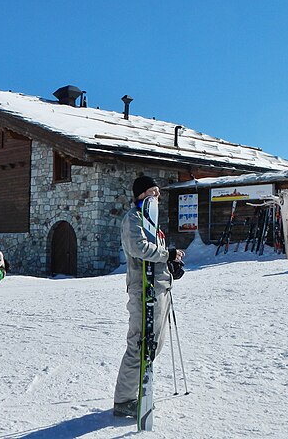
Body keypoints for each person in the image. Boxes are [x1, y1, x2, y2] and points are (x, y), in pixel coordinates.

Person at [114, 176, 185, 418]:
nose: (157, 197)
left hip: (159, 287)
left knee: (153, 345)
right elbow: (139, 248)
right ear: (141, 195)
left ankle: (137, 392)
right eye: (152, 193)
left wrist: (172, 266)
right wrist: (168, 255)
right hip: (143, 290)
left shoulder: (152, 223)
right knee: (139, 344)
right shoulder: (133, 219)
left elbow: (157, 256)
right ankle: (124, 399)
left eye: (158, 193)